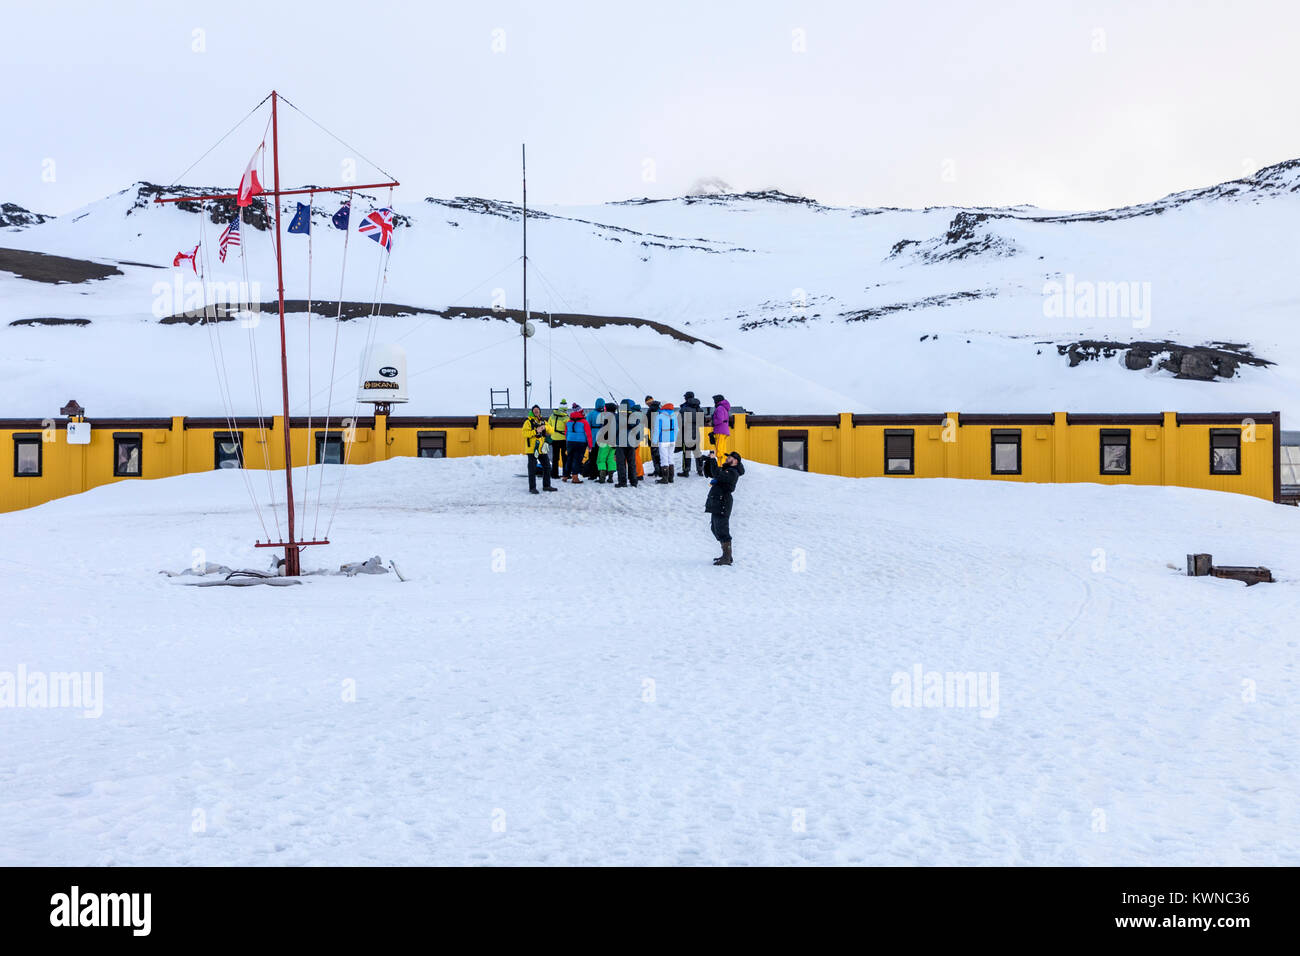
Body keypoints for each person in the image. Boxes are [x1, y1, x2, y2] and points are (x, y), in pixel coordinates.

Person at [704, 451, 744, 564]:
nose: (727, 459)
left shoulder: (733, 472)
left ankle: (727, 557)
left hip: (723, 502)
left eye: (730, 458)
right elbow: (710, 473)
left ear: (735, 461)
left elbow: (717, 474)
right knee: (715, 528)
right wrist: (708, 461)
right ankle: (726, 555)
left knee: (722, 529)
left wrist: (713, 460)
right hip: (717, 502)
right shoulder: (725, 470)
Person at [522, 405, 557, 493]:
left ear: (539, 411)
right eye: (535, 410)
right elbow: (525, 433)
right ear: (532, 412)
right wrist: (536, 431)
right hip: (532, 449)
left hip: (542, 449)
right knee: (532, 469)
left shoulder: (543, 421)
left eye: (537, 410)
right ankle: (532, 488)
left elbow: (552, 431)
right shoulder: (528, 422)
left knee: (547, 466)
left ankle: (546, 486)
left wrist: (545, 427)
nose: (536, 411)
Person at [615, 398, 642, 488]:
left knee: (621, 463)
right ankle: (634, 481)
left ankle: (622, 482)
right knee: (632, 462)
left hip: (620, 442)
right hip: (631, 442)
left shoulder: (618, 416)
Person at [564, 403, 592, 482]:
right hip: (580, 443)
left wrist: (567, 442)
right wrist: (590, 446)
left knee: (569, 458)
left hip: (570, 442)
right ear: (580, 412)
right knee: (577, 460)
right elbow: (588, 435)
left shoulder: (568, 422)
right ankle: (575, 477)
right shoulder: (584, 422)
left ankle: (565, 476)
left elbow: (566, 433)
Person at [679, 391, 704, 476]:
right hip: (696, 433)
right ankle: (700, 470)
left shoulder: (684, 408)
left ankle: (686, 471)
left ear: (687, 398)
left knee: (687, 452)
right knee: (697, 452)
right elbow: (702, 422)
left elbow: (680, 422)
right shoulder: (699, 408)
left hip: (687, 433)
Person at [653, 402, 678, 483]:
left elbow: (657, 430)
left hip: (663, 440)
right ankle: (671, 478)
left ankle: (665, 478)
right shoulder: (674, 416)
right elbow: (676, 429)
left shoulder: (660, 416)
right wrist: (674, 438)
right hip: (672, 440)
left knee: (664, 459)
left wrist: (654, 440)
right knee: (671, 458)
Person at [595, 401, 618, 483]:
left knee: (601, 459)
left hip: (605, 442)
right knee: (611, 459)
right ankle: (611, 477)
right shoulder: (617, 417)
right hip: (614, 442)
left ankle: (602, 478)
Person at [546, 400, 570, 478]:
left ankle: (554, 474)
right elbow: (569, 428)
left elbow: (548, 426)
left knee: (555, 457)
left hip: (554, 439)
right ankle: (565, 474)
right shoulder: (566, 417)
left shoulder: (552, 416)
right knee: (564, 457)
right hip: (563, 439)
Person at [584, 399, 604, 479]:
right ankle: (601, 474)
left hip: (592, 438)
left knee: (592, 457)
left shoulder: (591, 414)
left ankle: (592, 474)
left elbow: (587, 426)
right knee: (601, 457)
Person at [709, 394, 732, 466]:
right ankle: (724, 465)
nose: (714, 402)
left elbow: (720, 419)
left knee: (719, 450)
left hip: (720, 431)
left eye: (714, 401)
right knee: (723, 450)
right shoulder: (724, 408)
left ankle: (720, 466)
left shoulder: (720, 408)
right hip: (724, 431)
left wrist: (712, 422)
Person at [644, 395, 662, 477]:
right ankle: (660, 470)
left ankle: (658, 470)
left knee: (654, 453)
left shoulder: (651, 409)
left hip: (654, 433)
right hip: (661, 433)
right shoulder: (660, 408)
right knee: (660, 452)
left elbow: (646, 422)